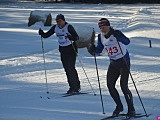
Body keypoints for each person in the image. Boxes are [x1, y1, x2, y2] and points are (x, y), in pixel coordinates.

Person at [88, 18, 135, 117]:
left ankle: (131, 109)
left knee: (124, 87)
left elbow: (127, 42)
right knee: (110, 85)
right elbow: (100, 49)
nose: (103, 29)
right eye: (101, 28)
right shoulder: (101, 36)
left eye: (104, 27)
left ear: (109, 26)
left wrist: (120, 37)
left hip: (124, 62)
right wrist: (93, 50)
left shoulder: (116, 33)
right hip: (113, 63)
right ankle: (119, 106)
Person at [39, 14, 80, 94]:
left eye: (60, 21)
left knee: (71, 68)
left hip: (71, 49)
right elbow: (47, 35)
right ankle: (71, 87)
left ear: (64, 21)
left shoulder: (69, 27)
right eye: (57, 21)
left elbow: (76, 37)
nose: (59, 23)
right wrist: (42, 33)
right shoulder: (55, 28)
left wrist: (71, 37)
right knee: (67, 69)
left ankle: (76, 87)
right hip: (63, 50)